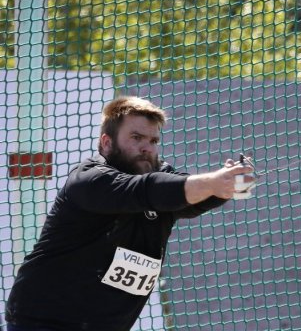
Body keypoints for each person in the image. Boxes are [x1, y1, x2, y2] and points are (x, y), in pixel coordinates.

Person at [6, 96, 254, 331]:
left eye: (153, 141)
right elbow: (146, 191)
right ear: (106, 142)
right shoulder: (90, 180)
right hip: (44, 322)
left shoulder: (161, 180)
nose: (147, 148)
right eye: (136, 137)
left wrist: (226, 184)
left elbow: (188, 198)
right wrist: (214, 182)